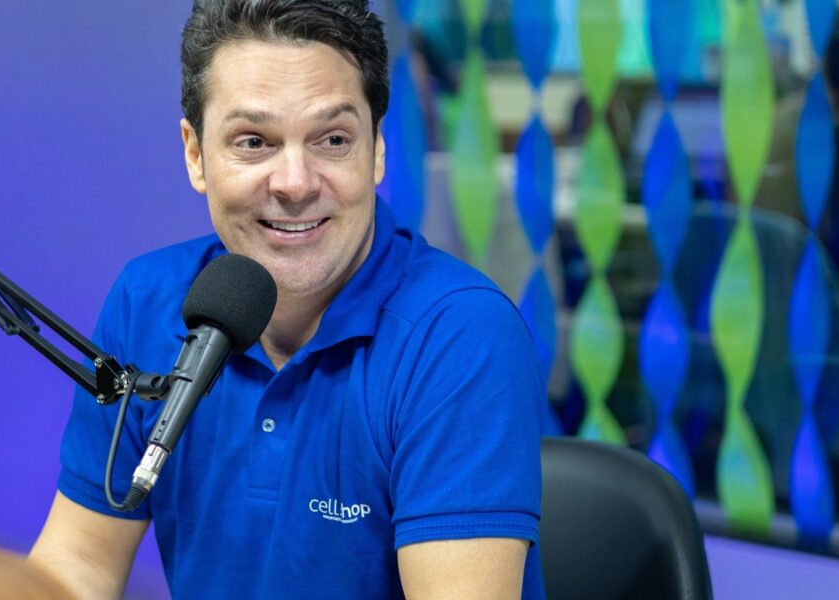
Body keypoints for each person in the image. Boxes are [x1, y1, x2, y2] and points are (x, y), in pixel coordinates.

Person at [28, 1, 545, 598]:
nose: (295, 183)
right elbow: (78, 564)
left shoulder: (458, 333)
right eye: (254, 142)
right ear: (195, 154)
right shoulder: (147, 299)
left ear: (377, 149)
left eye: (333, 139)